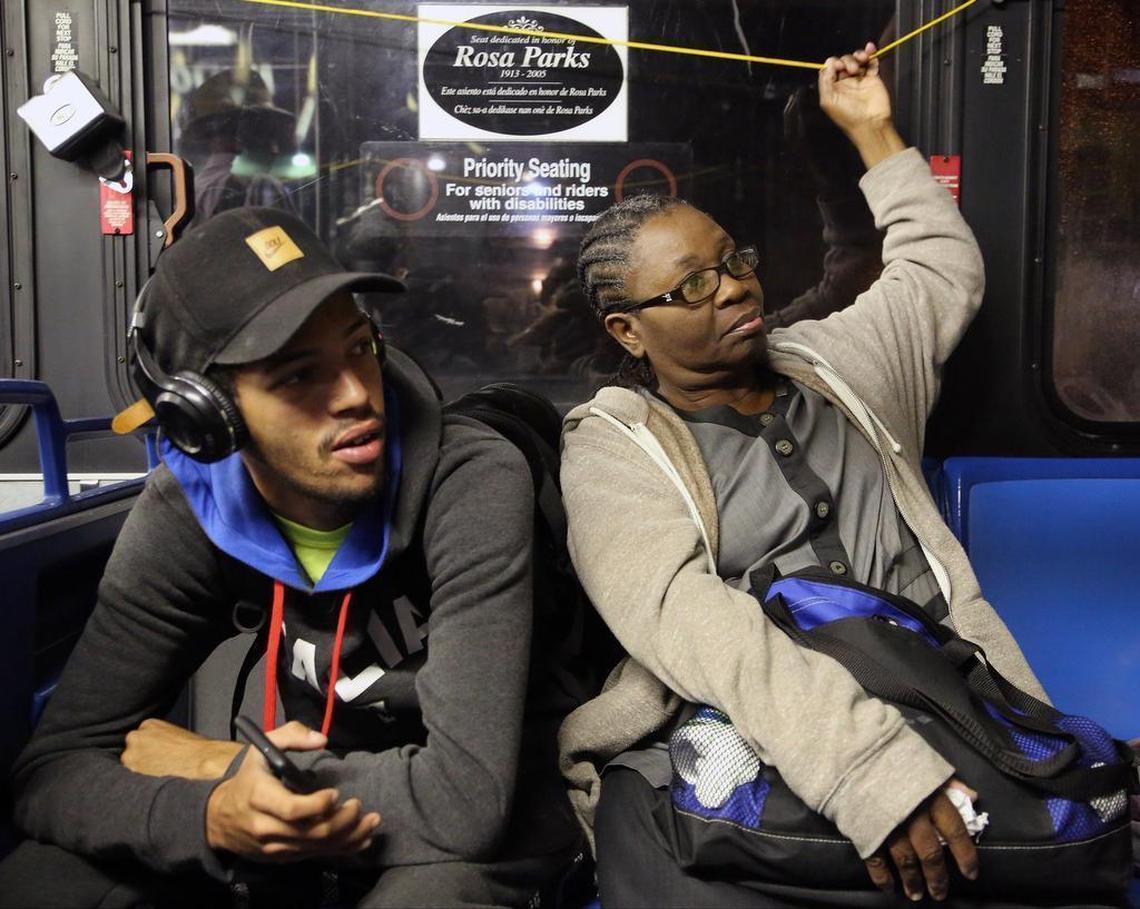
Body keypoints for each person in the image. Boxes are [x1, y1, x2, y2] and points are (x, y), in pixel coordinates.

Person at [557, 45, 1058, 907]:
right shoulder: (612, 447)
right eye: (691, 287)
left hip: (938, 692)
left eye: (735, 258)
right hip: (747, 736)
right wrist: (864, 768)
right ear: (628, 331)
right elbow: (702, 631)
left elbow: (941, 270)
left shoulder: (841, 367)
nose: (734, 288)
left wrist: (872, 129)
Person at [0, 208, 582, 907]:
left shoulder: (471, 477)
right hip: (328, 789)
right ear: (208, 416)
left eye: (360, 346)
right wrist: (209, 814)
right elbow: (51, 770)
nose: (356, 395)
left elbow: (465, 801)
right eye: (299, 376)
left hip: (489, 812)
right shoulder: (189, 509)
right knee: (42, 881)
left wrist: (221, 763)